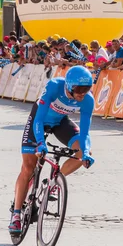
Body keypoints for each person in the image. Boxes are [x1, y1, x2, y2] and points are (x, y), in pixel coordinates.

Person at [9, 66, 95, 233]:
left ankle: (54, 182)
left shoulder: (87, 100)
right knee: (28, 167)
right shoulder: (54, 86)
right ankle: (16, 215)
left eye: (87, 89)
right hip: (39, 121)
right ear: (69, 85)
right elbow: (39, 119)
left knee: (84, 151)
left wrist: (85, 153)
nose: (82, 93)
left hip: (60, 122)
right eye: (79, 89)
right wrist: (40, 143)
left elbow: (85, 133)